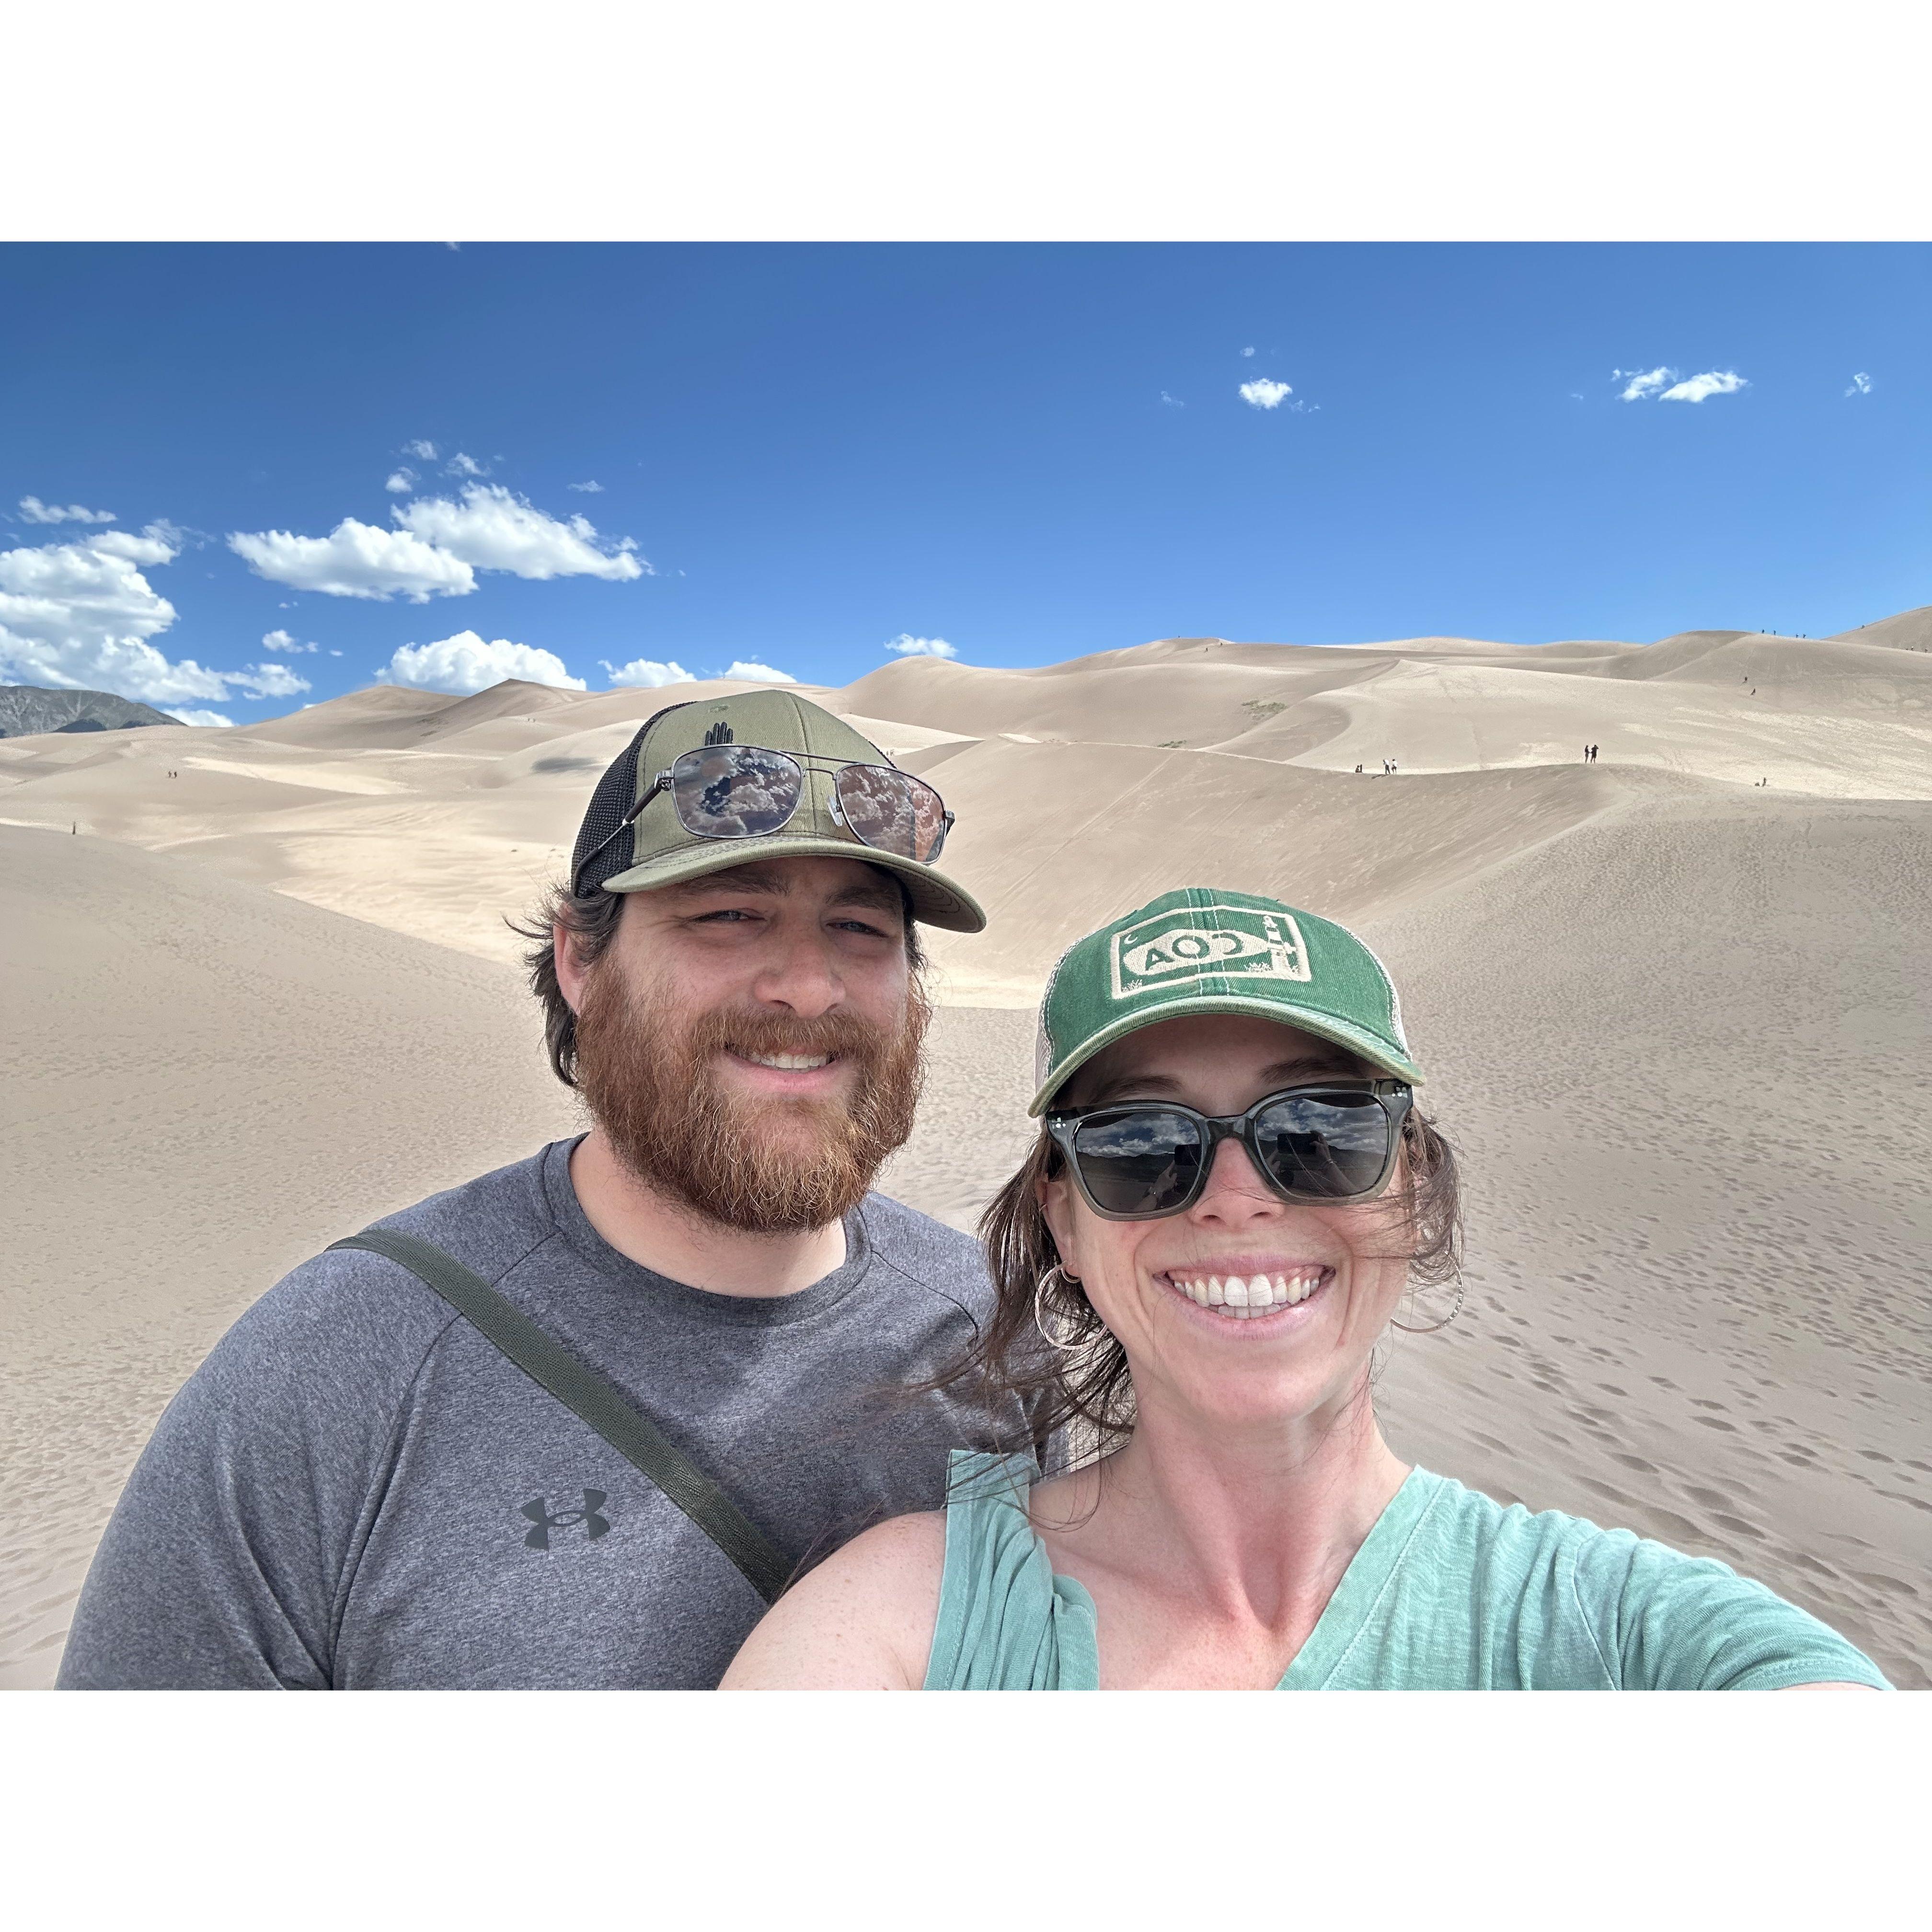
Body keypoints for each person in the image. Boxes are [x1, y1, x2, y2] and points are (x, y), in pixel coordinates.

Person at [59, 690, 1054, 1689]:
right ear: (581, 958)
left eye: (859, 928)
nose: (809, 984)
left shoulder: (994, 1335)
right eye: (729, 915)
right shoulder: (333, 1373)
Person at [723, 887, 1889, 1690]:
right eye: (1143, 1142)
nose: (1235, 1195)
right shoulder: (898, 1633)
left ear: (1413, 1187)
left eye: (1320, 1129)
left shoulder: (1621, 1636)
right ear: (1064, 1222)